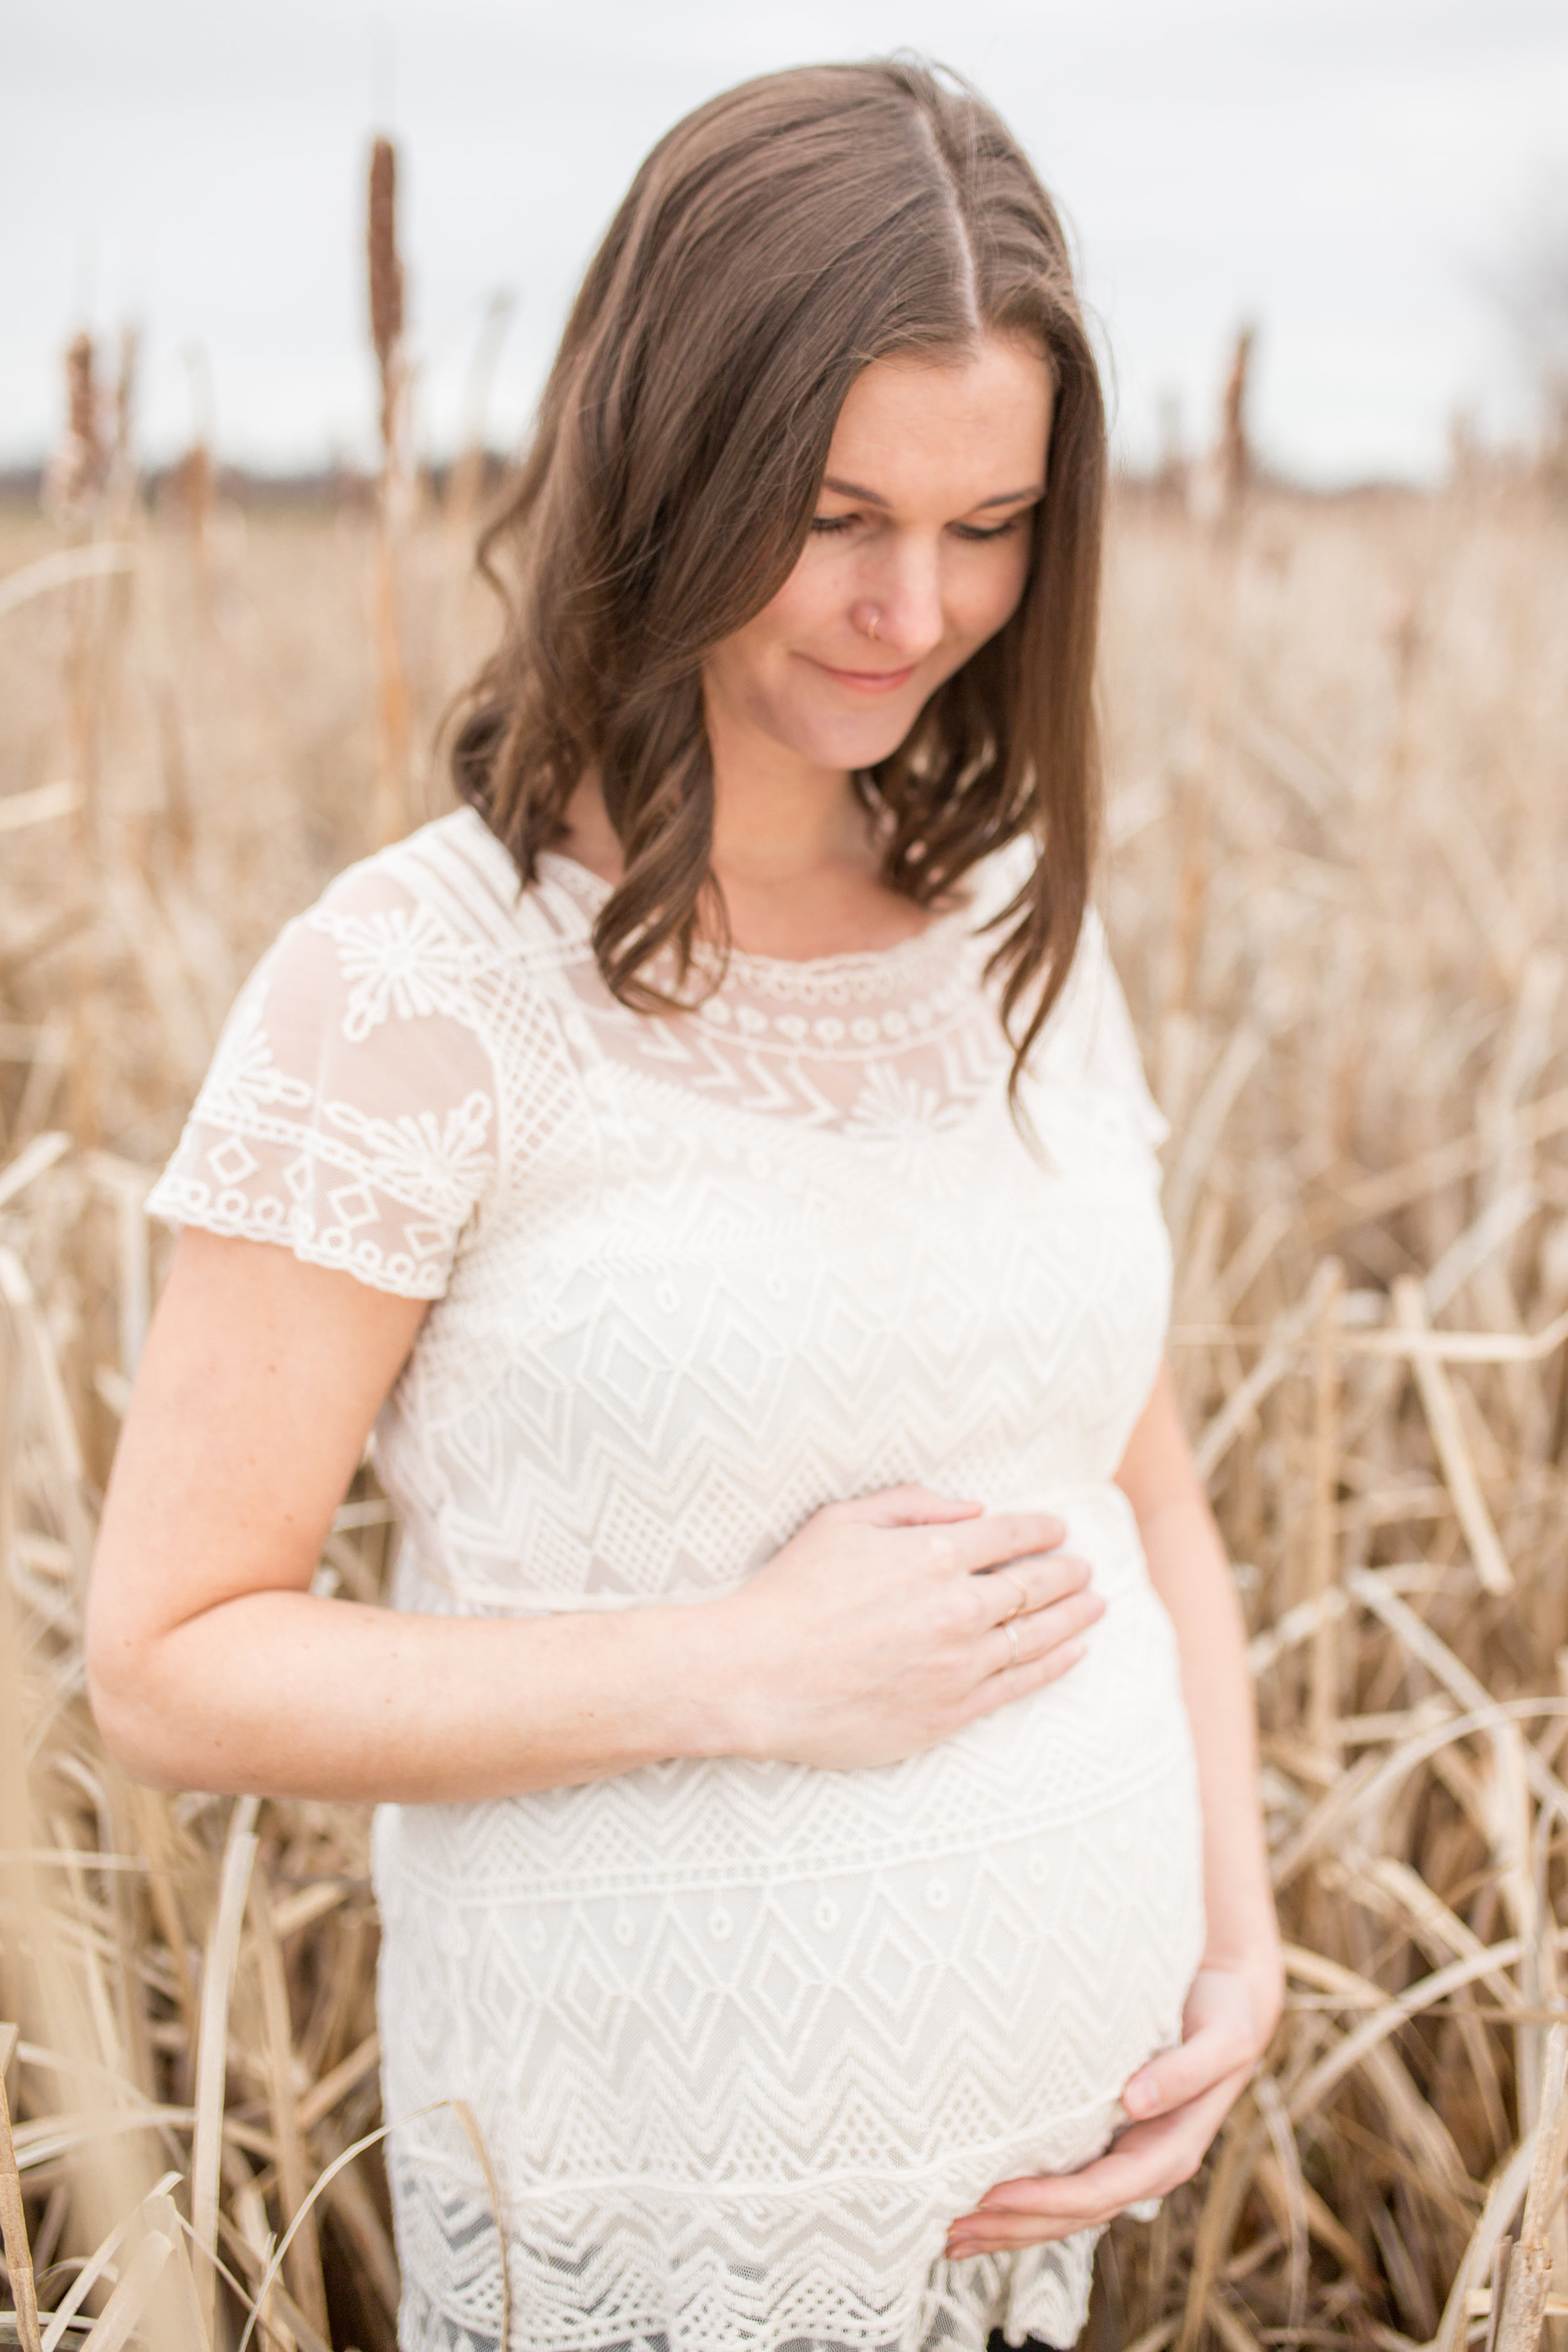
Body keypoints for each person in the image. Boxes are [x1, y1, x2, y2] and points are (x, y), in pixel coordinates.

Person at [87, 56, 1283, 2352]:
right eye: (833, 512)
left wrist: (1230, 1933)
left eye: (990, 522)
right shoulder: (415, 989)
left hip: (1055, 2200)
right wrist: (739, 1671)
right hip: (645, 2208)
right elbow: (170, 1658)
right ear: (669, 458)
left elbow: (1146, 1498)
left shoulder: (1018, 919)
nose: (911, 604)